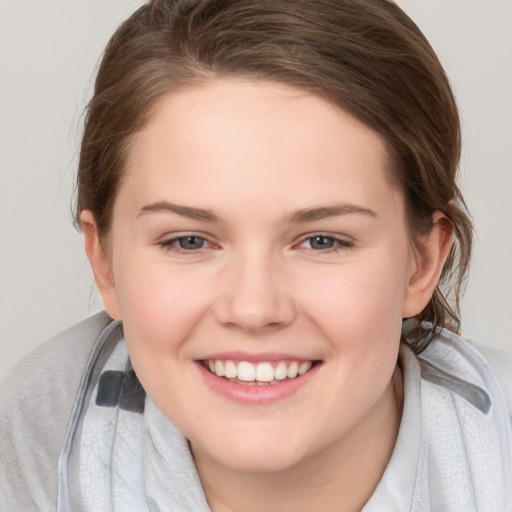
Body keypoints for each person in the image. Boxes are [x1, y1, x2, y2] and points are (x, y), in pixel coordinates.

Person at [1, 0, 511, 510]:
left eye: (322, 241)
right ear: (105, 261)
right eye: (189, 241)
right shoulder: (38, 436)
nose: (253, 308)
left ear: (421, 263)